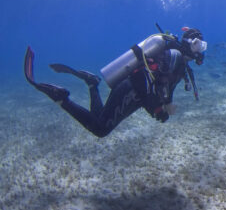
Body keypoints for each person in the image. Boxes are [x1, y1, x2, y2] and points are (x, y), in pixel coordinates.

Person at [24, 26, 207, 138]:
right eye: (199, 45)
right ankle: (62, 98)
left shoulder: (181, 65)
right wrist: (156, 109)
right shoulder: (173, 55)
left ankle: (92, 84)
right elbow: (142, 77)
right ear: (189, 43)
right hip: (132, 90)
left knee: (101, 118)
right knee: (100, 129)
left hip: (137, 95)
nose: (200, 51)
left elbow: (165, 84)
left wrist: (166, 103)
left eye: (202, 47)